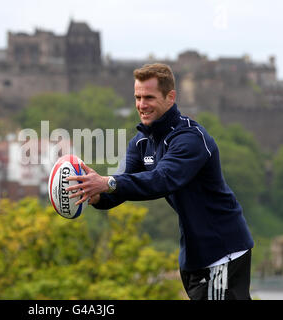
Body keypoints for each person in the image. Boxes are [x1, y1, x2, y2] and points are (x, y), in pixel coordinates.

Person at [66, 63, 254, 300]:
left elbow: (162, 179)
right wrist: (96, 196)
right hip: (193, 257)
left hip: (223, 249)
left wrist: (107, 183)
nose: (141, 105)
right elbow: (121, 184)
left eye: (149, 97)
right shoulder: (141, 142)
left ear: (170, 97)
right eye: (138, 97)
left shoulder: (190, 138)